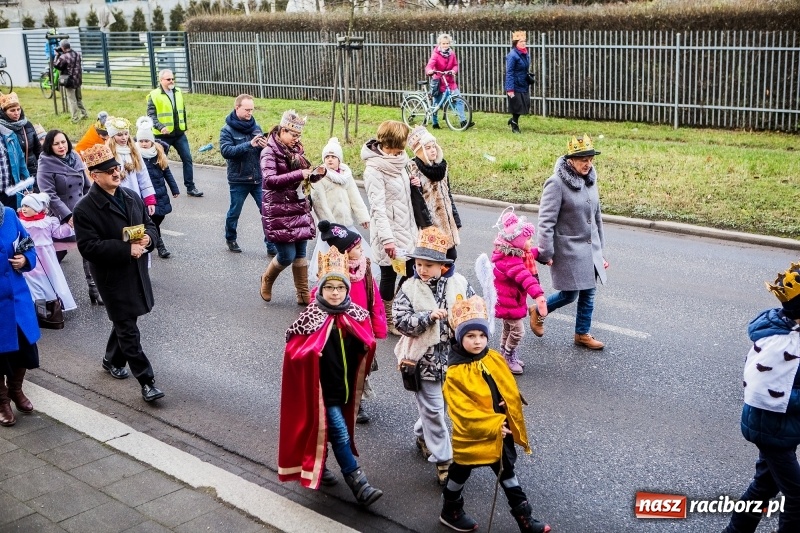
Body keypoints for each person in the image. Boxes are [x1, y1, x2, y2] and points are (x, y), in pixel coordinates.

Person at [277, 246, 383, 506]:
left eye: (340, 288)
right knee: (338, 432)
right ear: (320, 289)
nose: (335, 293)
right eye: (329, 288)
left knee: (323, 432)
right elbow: (294, 351)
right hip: (322, 391)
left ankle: (317, 465)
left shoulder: (355, 315)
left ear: (347, 290)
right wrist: (312, 355)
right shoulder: (310, 318)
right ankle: (359, 483)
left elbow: (365, 342)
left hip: (344, 387)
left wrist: (364, 347)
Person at [441, 294, 551, 533]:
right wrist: (492, 423)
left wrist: (506, 402)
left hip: (500, 431)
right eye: (470, 336)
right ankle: (450, 509)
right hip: (476, 433)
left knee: (507, 473)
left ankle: (525, 519)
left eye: (482, 335)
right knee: (460, 472)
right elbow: (462, 411)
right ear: (459, 337)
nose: (478, 341)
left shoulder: (492, 357)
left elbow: (504, 383)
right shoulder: (456, 373)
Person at [72, 144, 164, 403]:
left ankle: (111, 359)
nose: (116, 173)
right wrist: (126, 249)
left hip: (136, 271)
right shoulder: (84, 208)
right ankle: (147, 381)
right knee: (127, 328)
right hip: (112, 277)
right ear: (94, 176)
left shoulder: (131, 196)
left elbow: (149, 225)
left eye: (117, 168)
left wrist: (148, 239)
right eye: (109, 170)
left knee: (127, 319)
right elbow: (88, 247)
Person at [393, 226, 474, 486]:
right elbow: (400, 321)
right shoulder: (409, 287)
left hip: (453, 360)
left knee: (439, 407)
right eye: (418, 264)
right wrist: (427, 318)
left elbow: (473, 311)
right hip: (423, 361)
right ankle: (444, 460)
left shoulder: (460, 283)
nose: (422, 269)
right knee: (436, 410)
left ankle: (422, 433)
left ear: (442, 265)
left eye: (429, 265)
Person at [724, 262, 800, 533]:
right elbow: (763, 391)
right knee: (796, 497)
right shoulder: (781, 343)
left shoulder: (793, 332)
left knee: (764, 487)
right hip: (770, 429)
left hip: (782, 428)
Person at [535, 134, 608, 350]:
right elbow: (546, 221)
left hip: (590, 248)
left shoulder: (590, 180)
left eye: (590, 159)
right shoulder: (556, 183)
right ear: (570, 160)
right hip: (568, 249)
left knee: (589, 292)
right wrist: (545, 253)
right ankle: (538, 310)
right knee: (570, 294)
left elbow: (597, 217)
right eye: (583, 159)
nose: (588, 164)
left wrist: (600, 251)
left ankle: (582, 334)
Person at [314, 220, 386, 424]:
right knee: (341, 366)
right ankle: (341, 400)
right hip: (338, 330)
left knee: (359, 366)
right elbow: (316, 298)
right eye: (356, 247)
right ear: (345, 252)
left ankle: (357, 400)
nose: (361, 249)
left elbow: (374, 299)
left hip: (361, 329)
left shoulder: (365, 269)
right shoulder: (334, 274)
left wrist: (378, 327)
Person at [362, 120, 425, 335]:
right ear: (392, 142)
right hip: (388, 232)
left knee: (412, 271)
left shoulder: (400, 160)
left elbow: (403, 195)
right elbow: (378, 208)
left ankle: (397, 308)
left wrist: (413, 183)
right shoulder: (374, 170)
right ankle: (387, 318)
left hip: (407, 228)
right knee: (389, 275)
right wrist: (387, 240)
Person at [259, 110, 325, 305]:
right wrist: (299, 174)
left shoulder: (297, 151)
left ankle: (303, 293)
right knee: (287, 255)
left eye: (299, 135)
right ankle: (267, 279)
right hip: (278, 209)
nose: (297, 139)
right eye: (294, 135)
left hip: (298, 205)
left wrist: (315, 175)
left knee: (301, 253)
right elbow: (270, 180)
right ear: (282, 131)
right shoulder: (268, 152)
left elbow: (301, 177)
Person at [36, 130, 95, 302]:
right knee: (55, 254)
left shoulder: (75, 157)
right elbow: (49, 195)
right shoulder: (45, 163)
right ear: (49, 146)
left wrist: (93, 205)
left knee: (88, 249)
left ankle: (94, 288)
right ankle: (46, 289)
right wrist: (68, 216)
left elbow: (86, 186)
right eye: (56, 144)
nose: (61, 146)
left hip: (82, 212)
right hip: (60, 215)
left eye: (63, 142)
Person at [487, 207, 547, 375]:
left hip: (508, 300)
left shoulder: (510, 253)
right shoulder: (511, 262)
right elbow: (526, 278)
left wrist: (542, 254)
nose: (531, 242)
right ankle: (509, 355)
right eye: (528, 239)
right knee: (518, 332)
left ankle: (504, 355)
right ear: (518, 242)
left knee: (508, 329)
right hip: (509, 302)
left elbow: (530, 253)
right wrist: (539, 296)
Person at [308, 136, 371, 282]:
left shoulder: (345, 175)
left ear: (339, 159)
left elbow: (355, 197)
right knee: (332, 259)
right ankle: (329, 283)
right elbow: (319, 203)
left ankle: (349, 282)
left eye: (333, 157)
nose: (330, 159)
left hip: (346, 224)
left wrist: (363, 217)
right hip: (332, 227)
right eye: (327, 157)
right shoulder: (319, 176)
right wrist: (330, 226)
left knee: (351, 257)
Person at [219, 94, 276, 255]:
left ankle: (271, 245)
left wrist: (265, 146)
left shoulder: (256, 127)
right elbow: (226, 151)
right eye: (247, 110)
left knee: (267, 212)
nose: (250, 113)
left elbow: (263, 152)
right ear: (237, 108)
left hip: (258, 178)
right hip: (239, 179)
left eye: (252, 109)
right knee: (234, 212)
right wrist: (249, 144)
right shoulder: (227, 130)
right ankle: (231, 238)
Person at [0, 203, 39, 427]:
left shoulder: (8, 214)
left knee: (24, 348)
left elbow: (28, 244)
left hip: (16, 298)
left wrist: (25, 259)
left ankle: (15, 389)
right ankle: (1, 401)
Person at [406, 125, 461, 261]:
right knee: (434, 261)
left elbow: (448, 194)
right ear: (420, 151)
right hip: (430, 224)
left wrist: (456, 219)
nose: (433, 150)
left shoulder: (442, 167)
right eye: (428, 148)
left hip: (447, 222)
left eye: (434, 146)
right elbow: (416, 202)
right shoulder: (413, 169)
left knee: (451, 256)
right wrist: (427, 226)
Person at [147, 69, 203, 197]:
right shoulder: (154, 95)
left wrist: (184, 126)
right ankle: (156, 189)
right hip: (162, 136)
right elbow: (151, 115)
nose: (171, 81)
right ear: (161, 80)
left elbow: (181, 111)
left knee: (187, 159)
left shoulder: (178, 92)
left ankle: (190, 187)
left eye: (173, 79)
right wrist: (161, 127)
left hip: (179, 134)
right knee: (159, 162)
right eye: (168, 79)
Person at [17, 192, 77, 312]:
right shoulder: (20, 222)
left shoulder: (48, 221)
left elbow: (58, 233)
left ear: (37, 208)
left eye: (28, 206)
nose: (24, 209)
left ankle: (53, 304)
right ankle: (38, 309)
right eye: (23, 206)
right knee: (32, 281)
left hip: (46, 257)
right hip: (30, 255)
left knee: (49, 280)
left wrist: (69, 226)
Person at [136, 117, 179, 259]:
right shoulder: (136, 156)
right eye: (141, 141)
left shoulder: (158, 153)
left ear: (152, 141)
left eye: (146, 141)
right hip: (145, 195)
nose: (144, 144)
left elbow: (167, 172)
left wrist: (174, 189)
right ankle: (159, 245)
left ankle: (152, 237)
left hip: (160, 193)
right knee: (152, 220)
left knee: (160, 216)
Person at [105, 116, 157, 218]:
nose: (124, 138)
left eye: (126, 134)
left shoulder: (134, 151)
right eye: (119, 135)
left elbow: (143, 175)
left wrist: (149, 199)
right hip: (115, 198)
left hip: (134, 195)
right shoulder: (108, 153)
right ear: (113, 136)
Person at [425, 33, 473, 130]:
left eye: (447, 43)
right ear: (440, 44)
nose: (445, 45)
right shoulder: (435, 54)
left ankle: (463, 122)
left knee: (459, 100)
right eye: (443, 43)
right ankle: (435, 122)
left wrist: (453, 71)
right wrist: (429, 71)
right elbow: (429, 65)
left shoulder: (452, 53)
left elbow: (455, 65)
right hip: (439, 82)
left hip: (450, 82)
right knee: (436, 103)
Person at [0, 92, 42, 179]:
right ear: (4, 112)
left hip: (33, 171)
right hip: (13, 175)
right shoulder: (2, 129)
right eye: (12, 110)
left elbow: (38, 149)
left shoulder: (27, 125)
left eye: (18, 109)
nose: (16, 113)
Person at [0, 111, 32, 210]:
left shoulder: (9, 135)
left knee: (11, 217)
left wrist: (28, 187)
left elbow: (21, 163)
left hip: (10, 193)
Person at [53, 41, 88, 124]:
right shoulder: (77, 54)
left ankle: (75, 118)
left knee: (72, 100)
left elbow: (56, 65)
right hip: (78, 80)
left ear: (62, 47)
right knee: (79, 99)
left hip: (69, 81)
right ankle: (84, 114)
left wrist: (57, 55)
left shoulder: (63, 57)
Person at [505, 31, 531, 134]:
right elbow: (509, 72)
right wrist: (510, 89)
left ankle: (513, 120)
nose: (523, 43)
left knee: (525, 104)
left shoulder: (525, 53)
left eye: (524, 41)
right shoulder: (512, 55)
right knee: (517, 106)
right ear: (516, 43)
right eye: (521, 41)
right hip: (515, 84)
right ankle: (514, 125)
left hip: (523, 83)